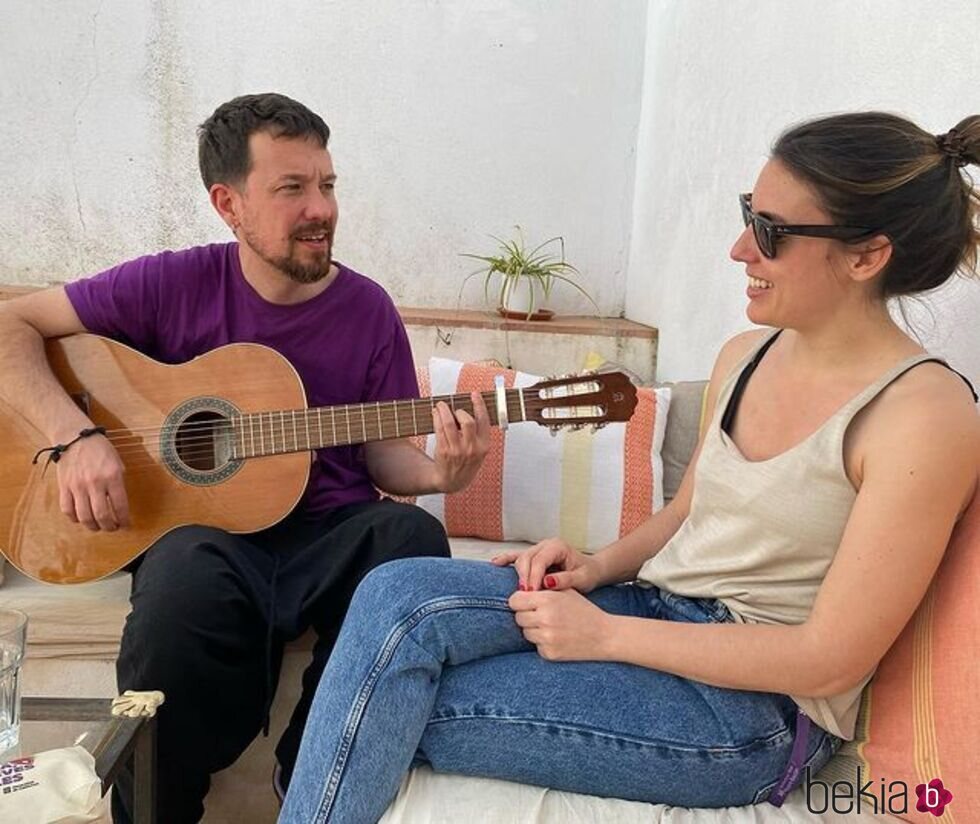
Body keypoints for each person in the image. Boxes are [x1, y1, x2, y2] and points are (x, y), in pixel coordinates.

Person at [278, 111, 980, 823]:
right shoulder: (747, 355)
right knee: (394, 590)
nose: (740, 249)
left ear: (867, 257)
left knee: (386, 703)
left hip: (747, 712)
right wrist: (596, 567)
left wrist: (605, 635)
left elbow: (830, 661)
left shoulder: (922, 416)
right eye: (747, 214)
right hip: (653, 605)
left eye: (771, 231)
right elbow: (690, 508)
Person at [0, 92, 491, 823]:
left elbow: (388, 459)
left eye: (326, 184)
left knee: (412, 537)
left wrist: (440, 473)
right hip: (199, 535)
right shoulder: (170, 284)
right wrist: (76, 437)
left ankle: (313, 771)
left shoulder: (367, 309)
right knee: (180, 585)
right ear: (229, 204)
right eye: (291, 188)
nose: (319, 207)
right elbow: (11, 325)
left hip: (326, 534)